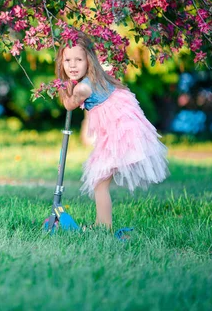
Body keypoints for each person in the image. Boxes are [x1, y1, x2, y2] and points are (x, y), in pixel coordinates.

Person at [56, 33, 169, 228]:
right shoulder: (97, 77)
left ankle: (104, 227)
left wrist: (60, 86)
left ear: (89, 61)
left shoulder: (83, 88)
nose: (72, 65)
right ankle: (101, 224)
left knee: (100, 182)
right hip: (121, 131)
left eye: (78, 60)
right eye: (67, 60)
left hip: (120, 135)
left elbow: (68, 105)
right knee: (100, 182)